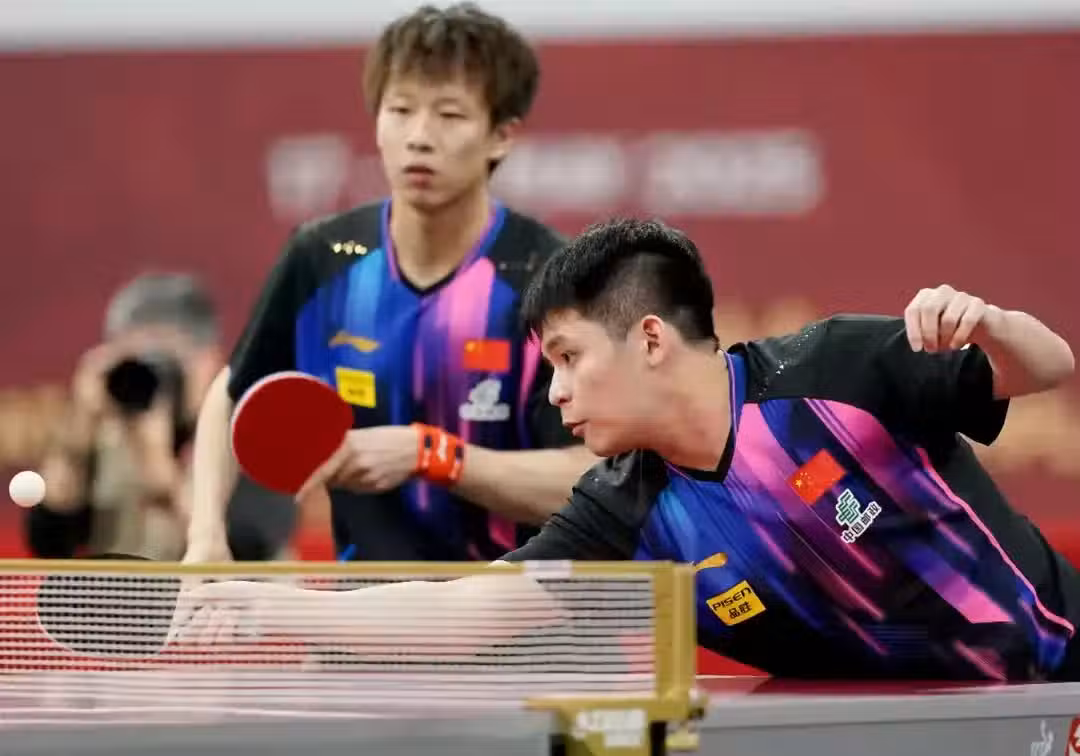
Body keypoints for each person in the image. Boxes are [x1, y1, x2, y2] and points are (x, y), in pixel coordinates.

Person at [178, 218, 1080, 682]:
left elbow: (1048, 366)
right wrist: (269, 607)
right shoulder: (624, 506)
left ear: (650, 339)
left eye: (569, 359)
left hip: (1059, 676)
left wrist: (989, 324)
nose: (554, 391)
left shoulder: (837, 369)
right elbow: (466, 612)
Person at [183, 3, 595, 565]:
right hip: (364, 608)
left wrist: (432, 455)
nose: (419, 137)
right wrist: (206, 537)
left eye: (450, 115)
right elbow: (232, 395)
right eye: (400, 110)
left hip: (517, 608)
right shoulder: (323, 258)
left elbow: (589, 478)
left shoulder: (549, 275)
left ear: (501, 136)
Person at [30, 273, 296, 561]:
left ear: (209, 360)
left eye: (169, 361)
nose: (160, 379)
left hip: (236, 591)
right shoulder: (111, 436)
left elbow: (248, 546)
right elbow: (49, 541)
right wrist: (79, 427)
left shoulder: (250, 437)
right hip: (131, 591)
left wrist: (162, 474)